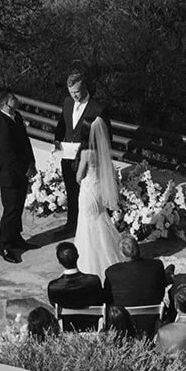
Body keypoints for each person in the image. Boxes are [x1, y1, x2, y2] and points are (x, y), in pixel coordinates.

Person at [52, 70, 108, 238]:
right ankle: (71, 224)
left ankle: (87, 228)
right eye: (71, 92)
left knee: (86, 195)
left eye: (77, 92)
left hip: (87, 159)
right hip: (67, 156)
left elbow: (105, 136)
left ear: (84, 87)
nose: (75, 95)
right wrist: (57, 144)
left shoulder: (97, 108)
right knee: (71, 192)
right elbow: (62, 125)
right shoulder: (67, 102)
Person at [74, 116, 122, 280]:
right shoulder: (103, 151)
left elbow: (79, 176)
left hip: (88, 192)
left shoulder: (86, 152)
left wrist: (80, 178)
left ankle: (88, 264)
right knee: (100, 220)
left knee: (87, 225)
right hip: (99, 190)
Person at [0, 88, 35, 264]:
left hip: (21, 172)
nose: (16, 100)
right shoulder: (1, 125)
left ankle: (16, 239)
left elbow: (25, 142)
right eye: (12, 98)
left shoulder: (16, 117)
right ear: (4, 103)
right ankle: (4, 245)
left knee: (18, 208)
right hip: (10, 175)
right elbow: (8, 155)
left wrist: (32, 163)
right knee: (10, 211)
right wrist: (24, 170)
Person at [104, 234, 166, 337]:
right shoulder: (156, 265)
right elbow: (161, 292)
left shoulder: (112, 272)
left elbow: (108, 299)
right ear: (138, 248)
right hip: (150, 320)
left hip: (123, 322)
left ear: (122, 254)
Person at [47, 241, 105, 329]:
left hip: (68, 328)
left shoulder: (53, 287)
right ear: (78, 256)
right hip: (92, 326)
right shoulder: (93, 281)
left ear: (59, 262)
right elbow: (99, 299)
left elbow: (54, 304)